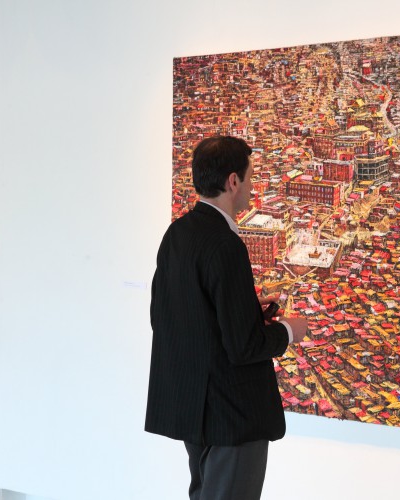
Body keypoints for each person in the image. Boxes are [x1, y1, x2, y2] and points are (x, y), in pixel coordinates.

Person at [145, 135, 309, 500]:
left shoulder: (177, 233)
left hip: (194, 408)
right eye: (250, 177)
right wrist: (288, 330)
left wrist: (243, 308)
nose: (251, 186)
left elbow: (167, 316)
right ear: (233, 181)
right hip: (231, 414)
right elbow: (243, 346)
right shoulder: (225, 244)